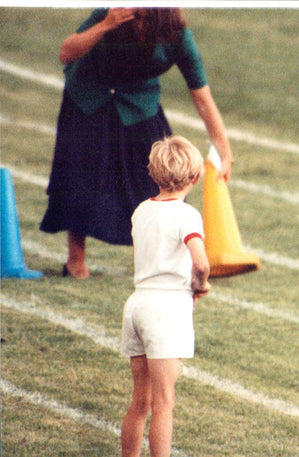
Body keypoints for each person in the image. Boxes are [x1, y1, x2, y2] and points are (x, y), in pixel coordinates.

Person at [40, 7, 233, 279]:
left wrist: (224, 151)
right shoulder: (111, 14)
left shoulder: (178, 37)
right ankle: (75, 262)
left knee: (165, 174)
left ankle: (170, 260)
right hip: (87, 98)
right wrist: (105, 25)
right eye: (136, 16)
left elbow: (202, 97)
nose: (137, 23)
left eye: (145, 18)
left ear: (162, 21)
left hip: (139, 103)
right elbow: (66, 53)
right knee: (80, 178)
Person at [119, 135, 211, 457]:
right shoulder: (187, 215)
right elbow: (200, 261)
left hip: (138, 302)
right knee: (164, 400)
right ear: (195, 177)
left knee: (140, 399)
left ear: (154, 174)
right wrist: (199, 283)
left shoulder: (141, 210)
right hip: (167, 307)